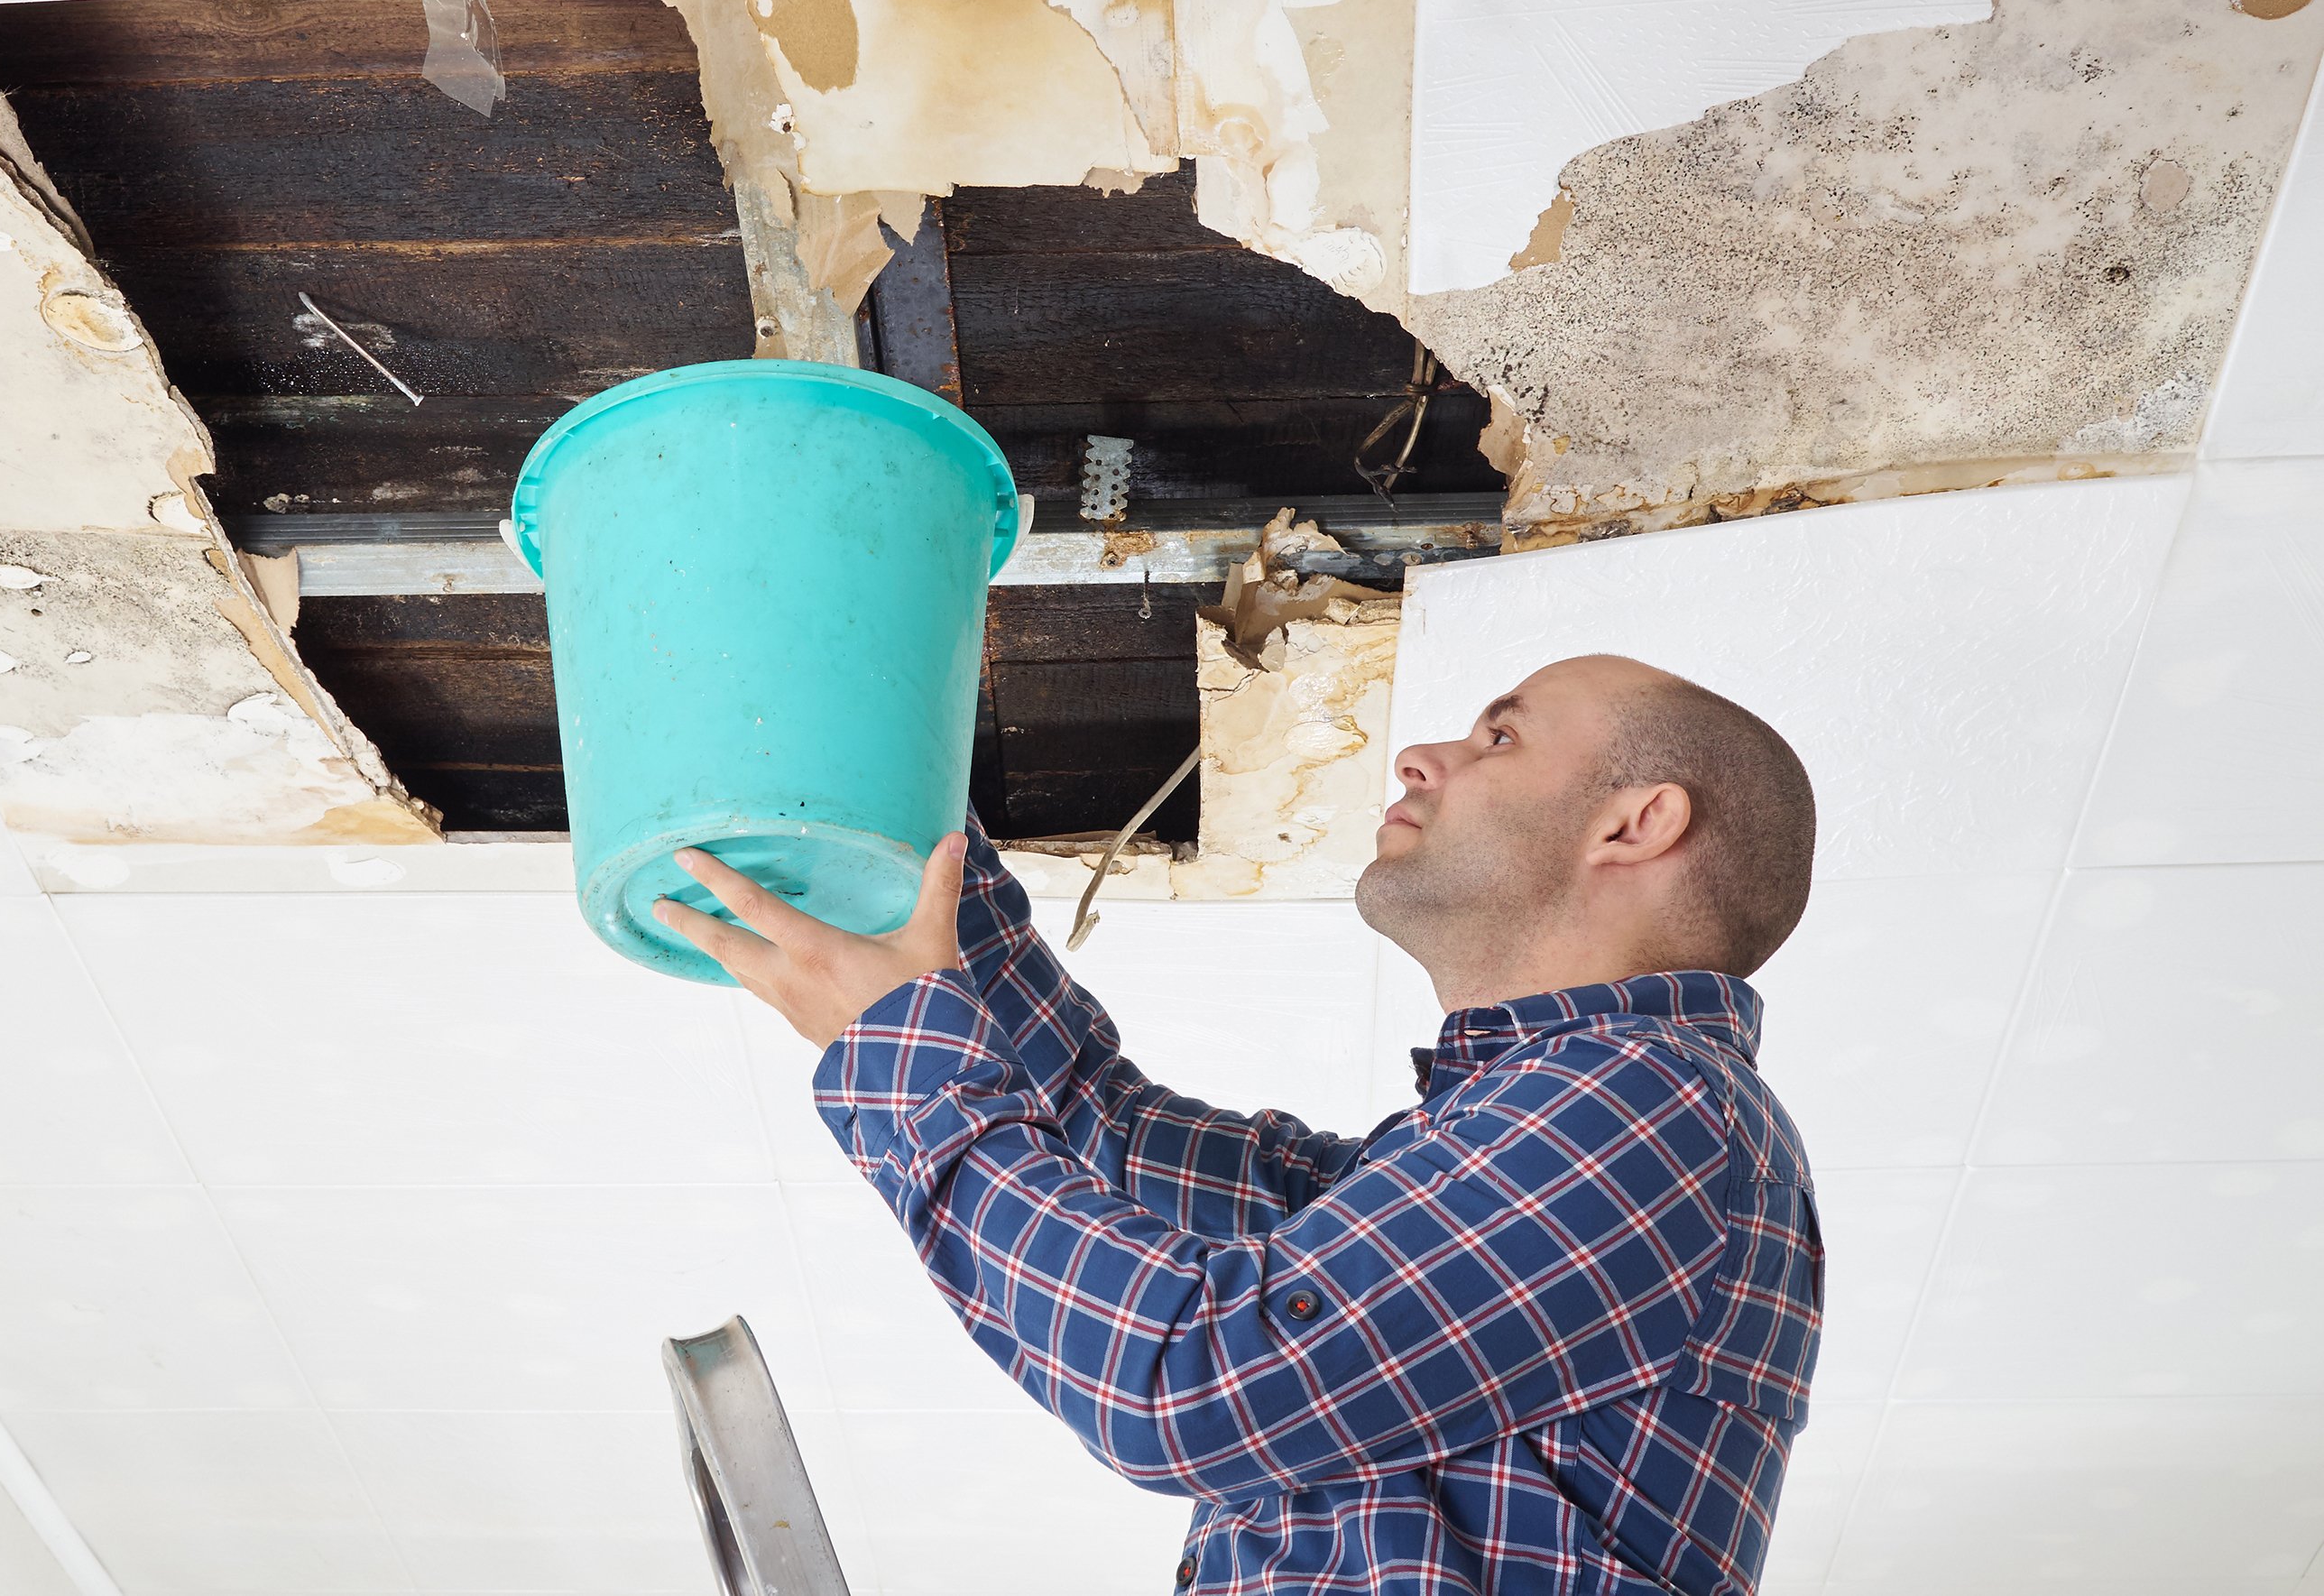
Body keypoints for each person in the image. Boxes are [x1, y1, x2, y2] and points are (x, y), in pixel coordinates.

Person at [659, 652, 1824, 1594]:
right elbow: (1095, 1128)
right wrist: (892, 773)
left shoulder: (1660, 1113)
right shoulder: (1478, 1151)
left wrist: (904, 1057)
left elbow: (1192, 1378)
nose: (1422, 756)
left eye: (1500, 736)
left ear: (1637, 822)